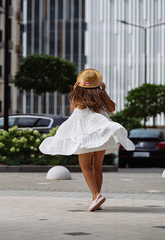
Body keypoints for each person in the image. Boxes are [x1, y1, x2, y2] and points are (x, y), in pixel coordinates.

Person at [39, 68, 135, 212]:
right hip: (100, 130)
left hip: (83, 133)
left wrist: (74, 90)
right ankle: (96, 198)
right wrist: (103, 91)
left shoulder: (78, 96)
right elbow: (112, 108)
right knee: (97, 167)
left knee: (85, 167)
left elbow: (73, 108)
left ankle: (96, 196)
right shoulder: (100, 95)